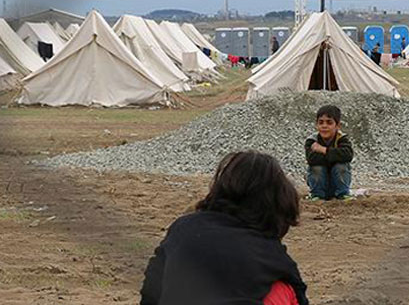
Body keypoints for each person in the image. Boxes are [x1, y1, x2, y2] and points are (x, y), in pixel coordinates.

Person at [140, 151, 308, 305]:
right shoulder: (271, 254)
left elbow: (151, 291)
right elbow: (299, 294)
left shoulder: (183, 227)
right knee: (281, 289)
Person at [305, 105, 353, 201]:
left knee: (341, 167)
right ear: (316, 124)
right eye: (321, 122)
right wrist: (335, 156)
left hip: (338, 185)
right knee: (316, 168)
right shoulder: (312, 140)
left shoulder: (342, 139)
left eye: (329, 123)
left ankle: (343, 194)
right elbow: (312, 159)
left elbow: (347, 155)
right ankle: (316, 195)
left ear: (338, 125)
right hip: (319, 183)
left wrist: (324, 150)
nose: (324, 126)